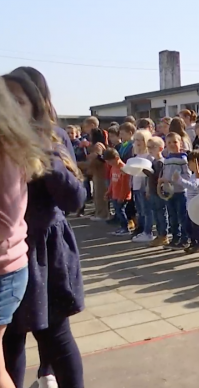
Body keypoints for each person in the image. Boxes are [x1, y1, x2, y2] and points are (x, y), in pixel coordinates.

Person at [3, 69, 86, 388]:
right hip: (8, 252)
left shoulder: (52, 137)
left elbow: (75, 198)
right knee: (10, 339)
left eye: (19, 100)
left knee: (55, 335)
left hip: (45, 252)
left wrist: (44, 154)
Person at [0, 80, 47, 388]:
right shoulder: (13, 145)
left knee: (54, 335)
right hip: (14, 262)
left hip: (9, 264)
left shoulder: (9, 148)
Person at [158, 132, 192, 250]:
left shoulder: (183, 159)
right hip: (169, 192)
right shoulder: (167, 159)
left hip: (180, 191)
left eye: (175, 142)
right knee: (172, 216)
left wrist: (172, 180)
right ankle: (175, 237)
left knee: (182, 216)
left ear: (180, 143)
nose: (172, 145)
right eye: (169, 142)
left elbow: (187, 176)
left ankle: (185, 238)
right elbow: (165, 172)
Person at [173, 150, 199, 254]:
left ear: (198, 164)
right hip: (191, 205)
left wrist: (180, 180)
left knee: (197, 226)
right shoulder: (194, 175)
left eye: (190, 162)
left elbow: (193, 186)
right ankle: (193, 242)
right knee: (188, 225)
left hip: (197, 205)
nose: (188, 165)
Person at [130, 129, 155, 243]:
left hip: (145, 186)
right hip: (136, 186)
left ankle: (148, 231)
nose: (138, 142)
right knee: (140, 210)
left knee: (147, 210)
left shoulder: (149, 156)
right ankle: (141, 230)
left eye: (141, 139)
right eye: (136, 139)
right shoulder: (136, 155)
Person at [145, 136, 169, 247]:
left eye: (152, 147)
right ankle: (160, 234)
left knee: (161, 214)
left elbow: (157, 176)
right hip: (153, 191)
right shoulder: (153, 161)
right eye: (148, 147)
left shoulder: (161, 162)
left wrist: (148, 172)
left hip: (159, 192)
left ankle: (163, 235)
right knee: (156, 213)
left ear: (160, 148)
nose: (149, 149)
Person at [104, 149, 132, 236]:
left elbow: (126, 185)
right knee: (118, 211)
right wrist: (109, 192)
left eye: (110, 161)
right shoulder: (113, 168)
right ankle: (122, 227)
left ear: (116, 158)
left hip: (122, 195)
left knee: (121, 211)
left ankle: (125, 227)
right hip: (115, 194)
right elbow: (112, 182)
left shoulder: (123, 168)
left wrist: (122, 196)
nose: (109, 164)